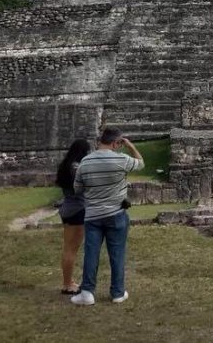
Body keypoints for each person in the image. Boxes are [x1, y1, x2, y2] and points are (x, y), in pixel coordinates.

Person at [70, 127, 144, 306]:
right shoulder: (121, 160)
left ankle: (87, 291)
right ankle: (117, 292)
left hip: (93, 214)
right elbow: (141, 163)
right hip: (116, 213)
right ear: (115, 143)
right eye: (119, 143)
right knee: (117, 254)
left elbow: (77, 189)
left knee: (91, 253)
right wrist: (130, 146)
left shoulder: (85, 162)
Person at [55, 138, 92, 295]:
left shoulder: (65, 165)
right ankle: (67, 283)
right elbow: (83, 186)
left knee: (68, 248)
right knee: (72, 249)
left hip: (68, 208)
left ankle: (67, 281)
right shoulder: (76, 167)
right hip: (77, 209)